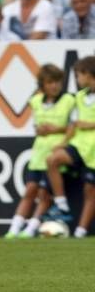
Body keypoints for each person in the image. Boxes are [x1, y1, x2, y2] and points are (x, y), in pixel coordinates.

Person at [4, 64, 75, 238]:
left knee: (44, 194)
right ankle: (13, 229)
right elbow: (36, 126)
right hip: (38, 154)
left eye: (57, 81)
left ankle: (30, 230)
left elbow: (73, 127)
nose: (54, 86)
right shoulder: (36, 101)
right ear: (42, 84)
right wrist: (39, 130)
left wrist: (55, 130)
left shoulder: (69, 101)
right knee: (29, 191)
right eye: (50, 82)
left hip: (55, 155)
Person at [44, 56, 95, 238]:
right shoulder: (79, 97)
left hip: (93, 152)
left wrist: (91, 124)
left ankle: (80, 231)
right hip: (79, 145)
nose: (77, 80)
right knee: (53, 159)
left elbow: (85, 123)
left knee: (90, 191)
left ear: (89, 75)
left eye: (79, 75)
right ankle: (62, 205)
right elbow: (73, 124)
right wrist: (63, 143)